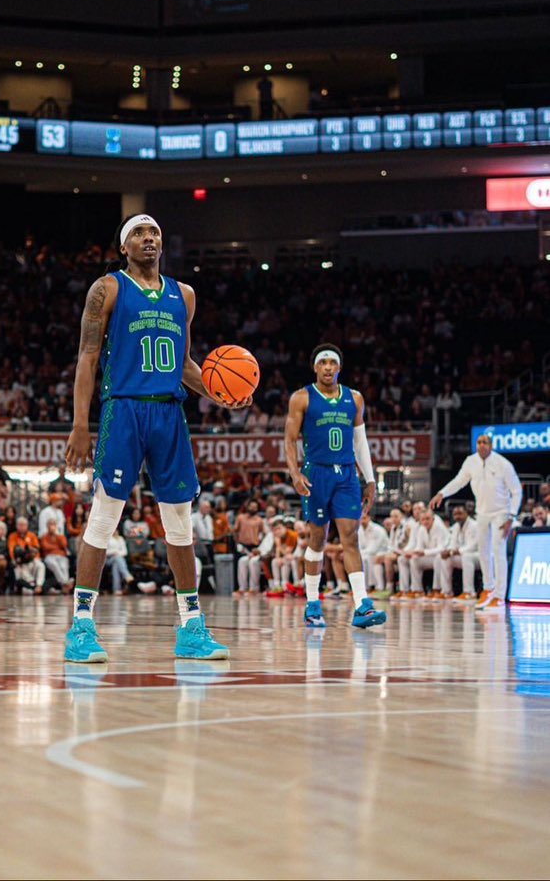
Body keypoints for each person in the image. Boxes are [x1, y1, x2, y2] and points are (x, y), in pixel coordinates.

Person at [63, 213, 249, 662]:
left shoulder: (183, 295)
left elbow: (185, 365)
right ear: (123, 247)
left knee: (180, 523)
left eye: (155, 234)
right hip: (122, 409)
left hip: (169, 414)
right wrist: (80, 424)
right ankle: (81, 626)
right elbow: (88, 358)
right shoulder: (107, 288)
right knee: (105, 517)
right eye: (139, 234)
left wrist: (219, 393)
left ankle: (191, 627)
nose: (149, 239)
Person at [284, 343, 386, 628]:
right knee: (317, 539)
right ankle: (313, 603)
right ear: (315, 367)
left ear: (339, 367)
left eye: (332, 362)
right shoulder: (302, 398)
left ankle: (362, 605)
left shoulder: (354, 399)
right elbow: (290, 439)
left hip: (346, 477)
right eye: (323, 362)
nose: (328, 367)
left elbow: (360, 441)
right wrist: (294, 473)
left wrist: (370, 479)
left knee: (350, 538)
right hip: (316, 474)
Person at [429, 431, 522, 610]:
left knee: (498, 551)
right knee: (483, 552)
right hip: (482, 513)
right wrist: (442, 493)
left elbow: (516, 491)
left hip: (501, 513)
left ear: (491, 446)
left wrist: (512, 515)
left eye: (485, 442)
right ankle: (488, 588)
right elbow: (458, 481)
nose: (481, 445)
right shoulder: (470, 462)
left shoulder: (503, 464)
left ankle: (500, 595)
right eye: (479, 442)